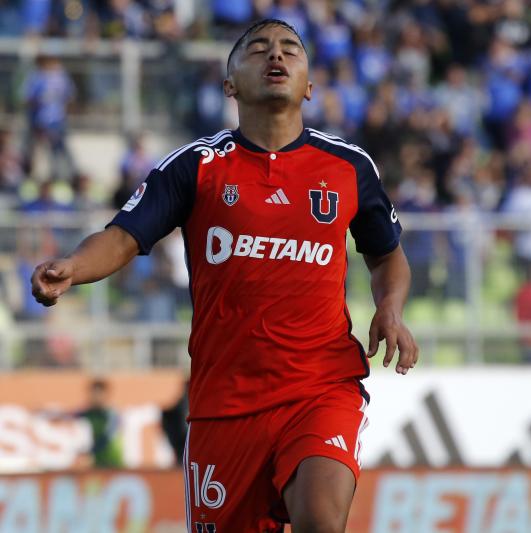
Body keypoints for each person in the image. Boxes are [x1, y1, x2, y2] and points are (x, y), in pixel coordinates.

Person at [31, 19, 418, 533]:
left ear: (310, 84)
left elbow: (387, 255)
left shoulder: (348, 166)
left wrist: (389, 308)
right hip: (224, 403)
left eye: (290, 49)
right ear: (230, 84)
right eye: (258, 48)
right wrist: (73, 268)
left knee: (322, 520)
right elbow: (124, 236)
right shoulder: (197, 166)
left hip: (320, 385)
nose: (275, 55)